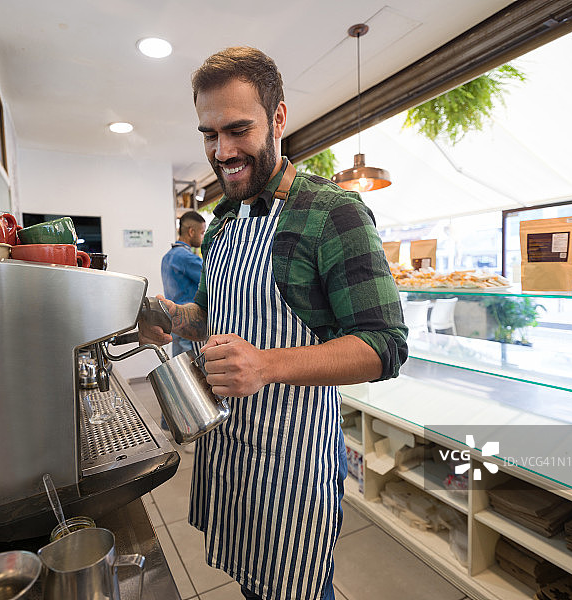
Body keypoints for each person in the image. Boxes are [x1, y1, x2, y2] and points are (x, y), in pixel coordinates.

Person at [140, 47, 408, 600]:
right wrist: (167, 317)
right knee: (253, 584)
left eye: (239, 129)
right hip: (230, 447)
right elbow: (214, 316)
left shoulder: (333, 214)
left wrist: (266, 365)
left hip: (294, 462)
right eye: (209, 135)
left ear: (279, 117)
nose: (224, 151)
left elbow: (386, 345)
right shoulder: (221, 225)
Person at [161, 210, 206, 357]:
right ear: (191, 231)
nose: (203, 237)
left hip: (175, 324)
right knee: (195, 373)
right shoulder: (187, 258)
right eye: (202, 233)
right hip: (190, 324)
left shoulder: (167, 257)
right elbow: (214, 280)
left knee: (180, 367)